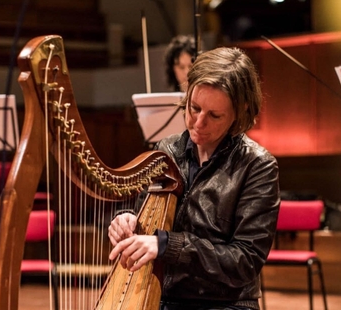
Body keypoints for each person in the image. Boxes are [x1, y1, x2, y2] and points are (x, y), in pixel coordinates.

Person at [109, 47, 280, 310]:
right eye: (195, 107)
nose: (199, 122)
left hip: (225, 304)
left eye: (214, 115)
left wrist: (168, 245)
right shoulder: (167, 150)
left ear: (240, 111)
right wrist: (129, 222)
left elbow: (245, 261)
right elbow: (149, 223)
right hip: (163, 298)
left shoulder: (257, 165)